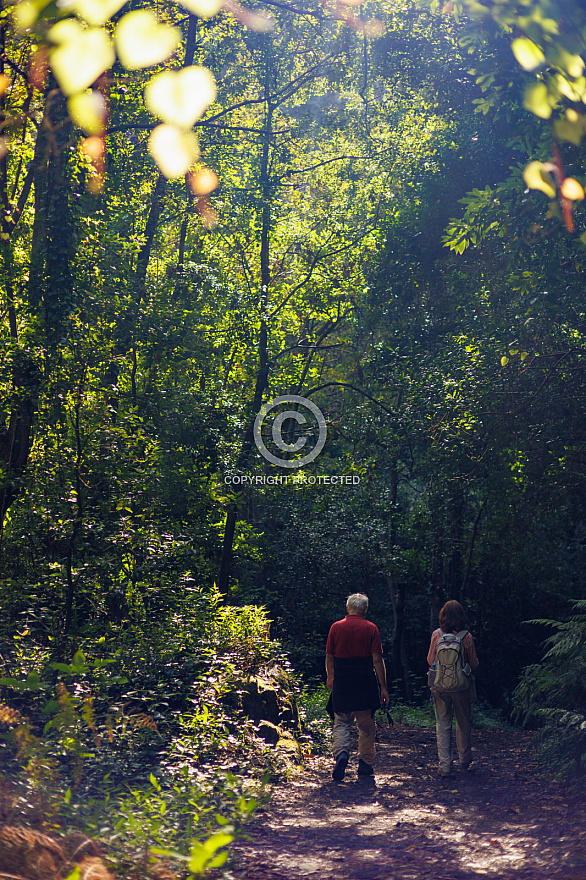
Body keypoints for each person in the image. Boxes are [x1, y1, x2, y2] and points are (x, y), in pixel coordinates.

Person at [325, 593, 390, 781]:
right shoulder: (371, 628)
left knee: (342, 722)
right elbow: (377, 659)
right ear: (365, 609)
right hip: (364, 681)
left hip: (342, 681)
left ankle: (342, 755)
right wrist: (383, 687)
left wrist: (330, 676)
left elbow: (330, 656)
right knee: (366, 724)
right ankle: (365, 763)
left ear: (348, 608)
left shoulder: (335, 627)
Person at [427, 599, 479, 778]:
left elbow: (429, 660)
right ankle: (464, 760)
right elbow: (473, 663)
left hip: (440, 686)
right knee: (463, 723)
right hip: (461, 687)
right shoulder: (466, 636)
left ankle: (445, 766)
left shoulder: (437, 634)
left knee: (442, 724)